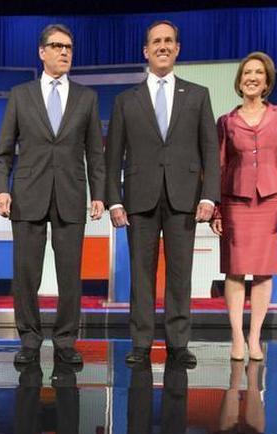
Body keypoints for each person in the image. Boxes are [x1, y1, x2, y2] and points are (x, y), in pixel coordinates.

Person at [106, 20, 220, 370]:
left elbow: (210, 150)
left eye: (169, 40)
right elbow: (114, 154)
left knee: (180, 274)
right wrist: (114, 198)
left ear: (178, 48)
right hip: (139, 198)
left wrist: (209, 196)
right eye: (156, 41)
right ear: (146, 50)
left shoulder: (198, 95)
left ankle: (178, 344)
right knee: (141, 275)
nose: (163, 46)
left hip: (184, 197)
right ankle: (141, 343)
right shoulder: (127, 100)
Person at [0, 24, 106, 367]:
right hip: (27, 193)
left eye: (69, 47)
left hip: (71, 194)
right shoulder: (20, 95)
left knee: (70, 274)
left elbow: (95, 153)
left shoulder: (87, 98)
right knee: (26, 273)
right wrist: (1, 189)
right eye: (57, 46)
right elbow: (3, 152)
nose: (64, 52)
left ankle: (66, 340)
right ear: (42, 52)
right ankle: (28, 339)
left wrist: (98, 193)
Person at [211, 52, 277, 363]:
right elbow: (219, 166)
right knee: (234, 270)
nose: (252, 77)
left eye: (258, 73)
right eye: (247, 72)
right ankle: (236, 336)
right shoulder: (226, 121)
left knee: (263, 272)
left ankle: (254, 337)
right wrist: (217, 209)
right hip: (235, 201)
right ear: (239, 80)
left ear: (267, 81)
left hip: (271, 199)